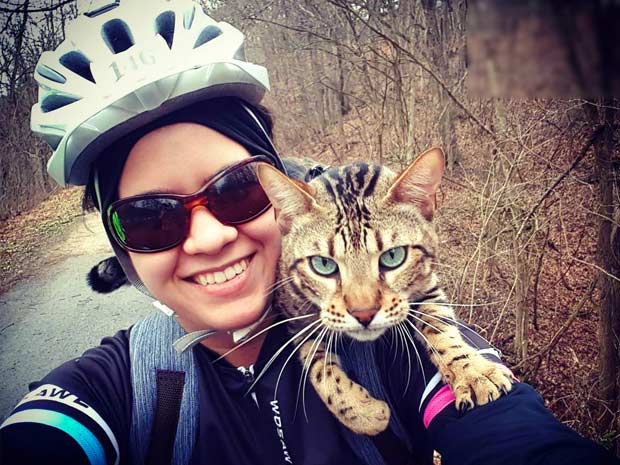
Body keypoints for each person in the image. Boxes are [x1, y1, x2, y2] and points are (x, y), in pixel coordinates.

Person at [1, 1, 618, 464]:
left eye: (235, 190)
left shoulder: (388, 346)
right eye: (150, 217)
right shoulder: (111, 388)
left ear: (281, 204)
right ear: (122, 247)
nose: (209, 237)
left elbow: (508, 431)